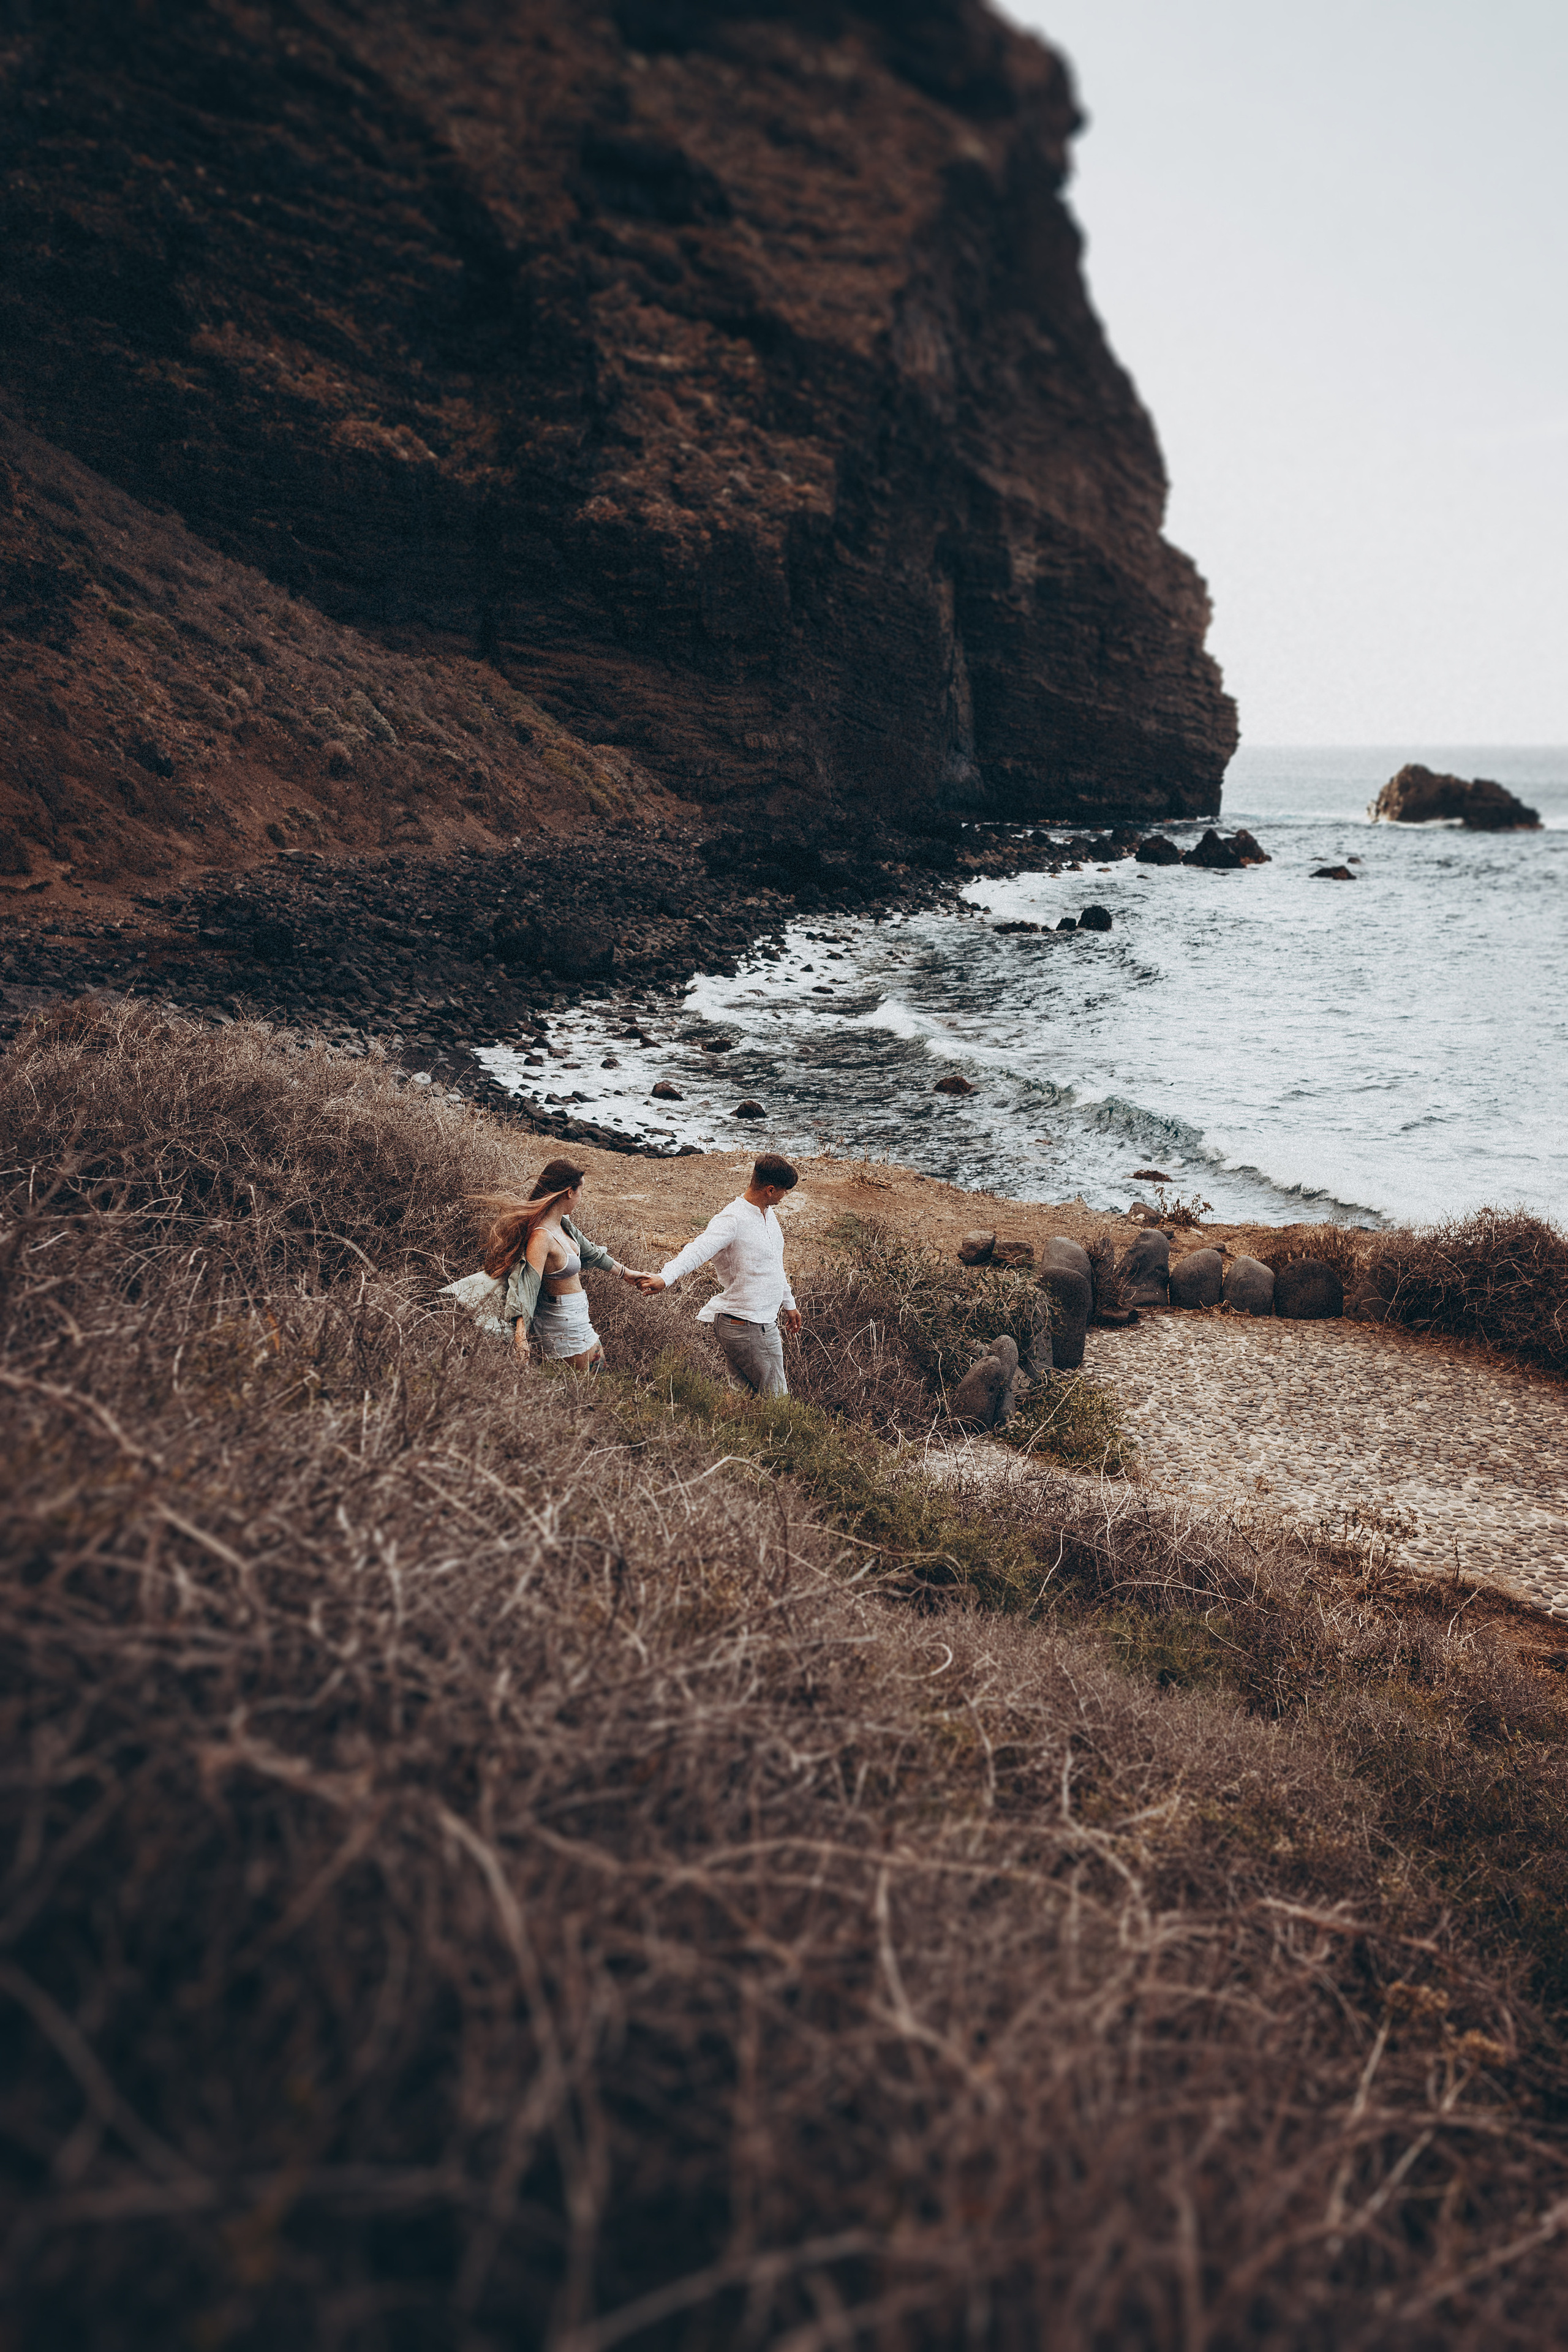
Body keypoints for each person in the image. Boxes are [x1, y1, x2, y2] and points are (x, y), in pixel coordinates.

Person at [639, 1155, 802, 1396]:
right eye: (784, 1192)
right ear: (770, 1190)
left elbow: (774, 1263)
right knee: (776, 1401)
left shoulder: (767, 1213)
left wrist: (789, 1303)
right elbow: (698, 1249)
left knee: (742, 1397)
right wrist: (666, 1277)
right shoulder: (733, 1219)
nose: (784, 1196)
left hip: (750, 1322)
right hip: (749, 1325)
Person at [478, 1159, 650, 1371]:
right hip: (561, 1326)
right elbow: (526, 1286)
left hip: (579, 1321)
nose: (581, 1198)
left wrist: (626, 1274)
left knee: (599, 1376)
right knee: (583, 1388)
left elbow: (593, 1253)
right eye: (581, 1192)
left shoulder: (562, 1224)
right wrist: (520, 1337)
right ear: (570, 1192)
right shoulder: (542, 1237)